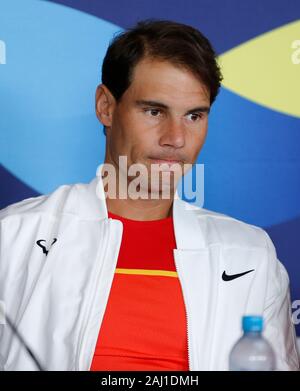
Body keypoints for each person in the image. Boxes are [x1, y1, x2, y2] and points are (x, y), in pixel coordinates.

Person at [0, 19, 298, 371]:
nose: (176, 138)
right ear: (106, 107)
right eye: (154, 111)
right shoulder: (13, 237)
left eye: (194, 116)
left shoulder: (250, 255)